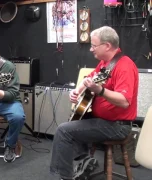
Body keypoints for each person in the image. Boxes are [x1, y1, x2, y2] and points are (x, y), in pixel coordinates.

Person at [50, 26, 138, 180]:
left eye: (93, 45)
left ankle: (64, 176)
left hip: (118, 125)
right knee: (76, 118)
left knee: (63, 131)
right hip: (103, 121)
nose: (91, 49)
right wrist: (77, 91)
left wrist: (100, 91)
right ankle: (85, 160)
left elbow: (124, 102)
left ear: (107, 46)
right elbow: (88, 79)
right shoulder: (105, 63)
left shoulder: (124, 66)